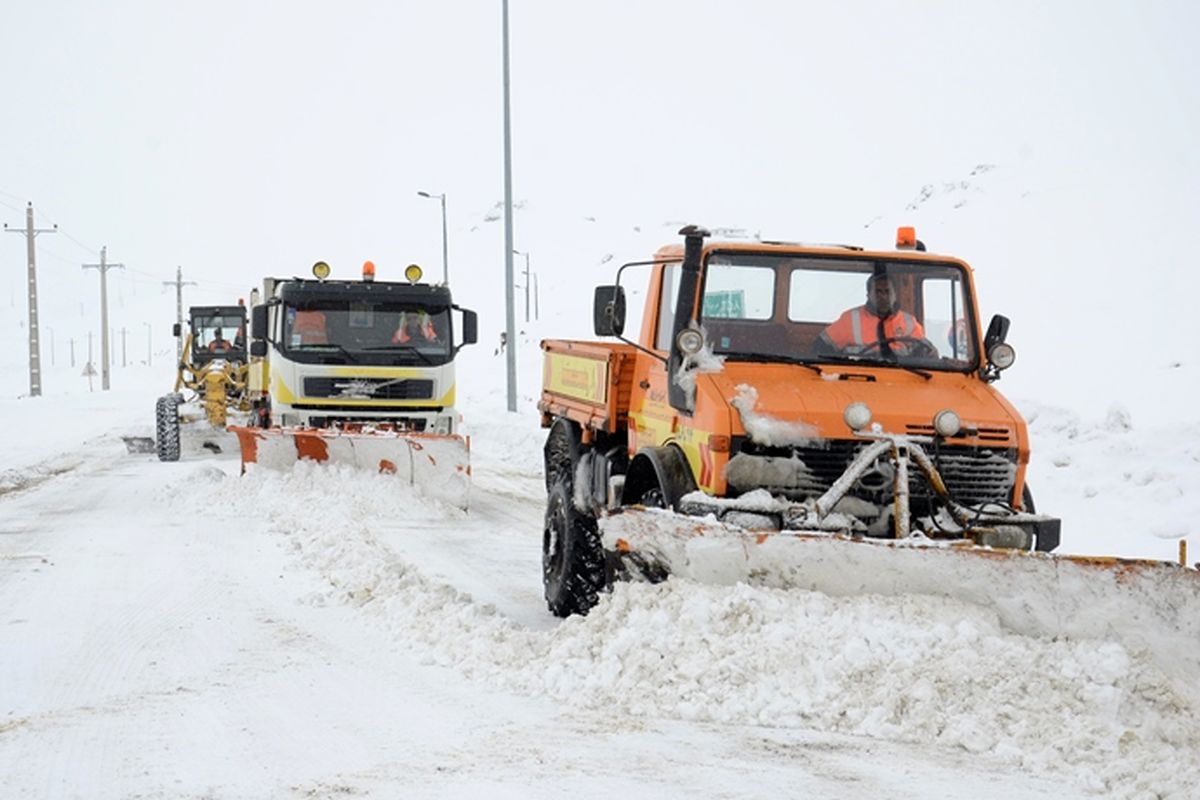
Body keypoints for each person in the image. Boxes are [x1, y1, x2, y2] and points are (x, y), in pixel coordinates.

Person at [815, 274, 926, 355]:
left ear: (895, 295)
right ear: (868, 295)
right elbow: (820, 347)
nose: (883, 297)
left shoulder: (909, 323)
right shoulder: (850, 320)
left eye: (887, 292)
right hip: (858, 380)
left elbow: (927, 353)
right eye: (878, 292)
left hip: (901, 380)